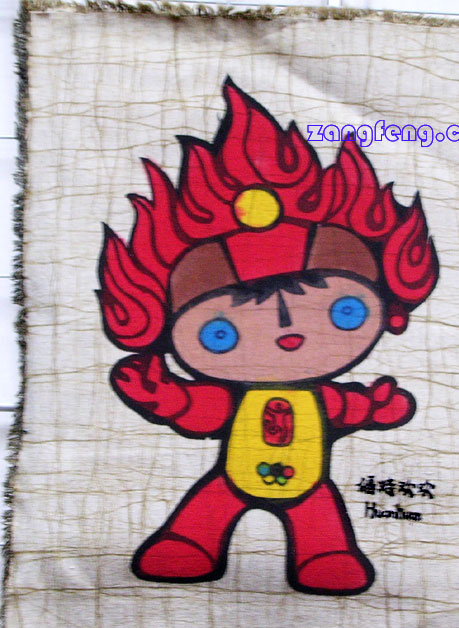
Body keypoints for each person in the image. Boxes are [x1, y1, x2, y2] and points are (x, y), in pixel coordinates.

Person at [98, 79, 438, 595]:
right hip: (234, 473)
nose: (288, 336)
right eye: (221, 333)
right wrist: (162, 395)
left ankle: (326, 554)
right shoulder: (229, 397)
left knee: (318, 516)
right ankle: (190, 543)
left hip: (308, 479)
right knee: (212, 503)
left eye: (343, 312)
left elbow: (345, 406)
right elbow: (198, 408)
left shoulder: (319, 398)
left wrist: (375, 406)